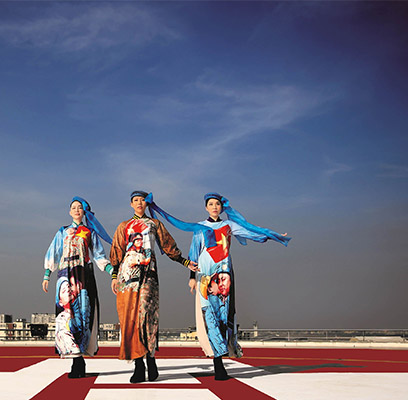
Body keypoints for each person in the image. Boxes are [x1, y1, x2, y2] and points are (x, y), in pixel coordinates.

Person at [188, 192, 291, 380]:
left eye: (217, 204)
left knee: (223, 315)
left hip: (224, 275)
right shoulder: (199, 227)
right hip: (204, 276)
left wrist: (272, 235)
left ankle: (220, 360)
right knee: (209, 316)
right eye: (211, 204)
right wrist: (192, 277)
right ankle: (218, 363)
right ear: (206, 207)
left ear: (221, 207)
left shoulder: (229, 225)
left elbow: (251, 232)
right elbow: (194, 252)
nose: (214, 207)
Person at [110, 190, 199, 384]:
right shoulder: (124, 226)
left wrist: (184, 262)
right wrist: (115, 276)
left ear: (147, 203)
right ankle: (138, 365)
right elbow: (117, 251)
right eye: (135, 200)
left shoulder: (154, 224)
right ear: (131, 204)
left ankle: (151, 359)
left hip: (148, 275)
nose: (139, 203)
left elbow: (168, 246)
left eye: (142, 200)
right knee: (130, 318)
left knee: (147, 316)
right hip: (127, 278)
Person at [43, 197, 113, 378]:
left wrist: (111, 270)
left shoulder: (89, 232)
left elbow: (98, 255)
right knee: (67, 315)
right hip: (65, 276)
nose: (76, 210)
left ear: (84, 212)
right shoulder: (62, 232)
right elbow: (54, 252)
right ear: (69, 212)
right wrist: (47, 275)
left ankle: (80, 359)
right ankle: (76, 359)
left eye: (79, 208)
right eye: (73, 207)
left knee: (82, 314)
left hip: (83, 277)